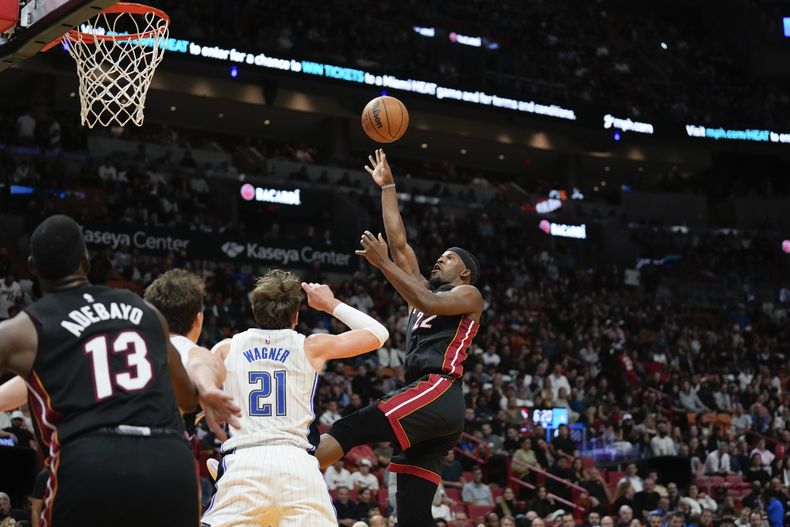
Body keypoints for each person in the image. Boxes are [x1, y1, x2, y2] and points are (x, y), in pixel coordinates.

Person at [0, 215, 238, 527]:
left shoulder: (26, 328)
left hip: (92, 462)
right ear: (86, 261)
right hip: (169, 462)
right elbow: (191, 387)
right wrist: (205, 388)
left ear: (32, 267)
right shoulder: (143, 310)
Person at [315, 149, 484, 527]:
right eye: (440, 256)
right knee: (410, 511)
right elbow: (400, 243)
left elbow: (423, 295)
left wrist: (383, 264)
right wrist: (388, 185)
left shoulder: (469, 296)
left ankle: (278, 475)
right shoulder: (420, 292)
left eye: (449, 258)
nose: (439, 260)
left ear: (465, 274)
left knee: (349, 428)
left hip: (439, 390)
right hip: (432, 404)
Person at [200, 271, 390, 527]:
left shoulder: (225, 349)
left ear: (255, 311)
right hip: (297, 466)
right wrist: (330, 304)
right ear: (295, 316)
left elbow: (201, 401)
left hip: (244, 462)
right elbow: (378, 333)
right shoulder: (309, 346)